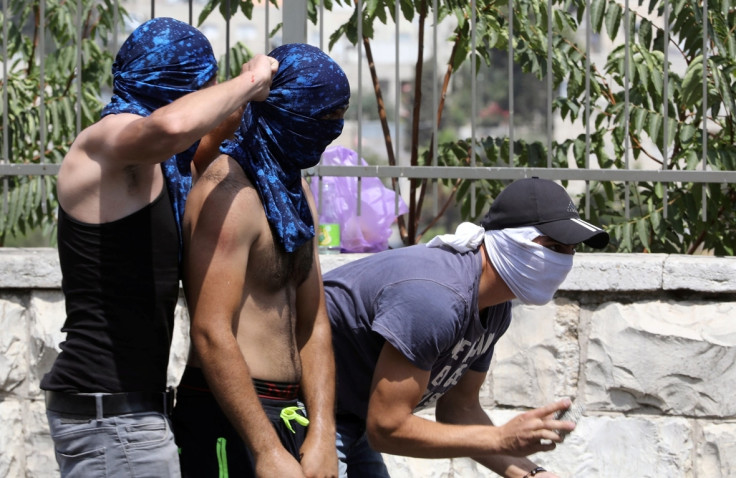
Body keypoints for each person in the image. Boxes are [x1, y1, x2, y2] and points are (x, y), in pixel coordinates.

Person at [40, 17, 278, 477]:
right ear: (177, 84)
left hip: (126, 413)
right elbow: (172, 127)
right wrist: (248, 82)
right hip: (111, 417)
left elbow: (202, 138)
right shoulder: (106, 141)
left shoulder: (160, 167)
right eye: (199, 87)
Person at [323, 177, 610, 478]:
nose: (563, 261)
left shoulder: (496, 308)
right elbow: (387, 427)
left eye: (570, 250)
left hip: (353, 414)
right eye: (552, 246)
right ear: (509, 239)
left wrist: (533, 474)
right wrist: (501, 437)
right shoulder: (436, 299)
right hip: (303, 404)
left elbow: (459, 409)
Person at [172, 43, 350, 478]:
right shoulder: (228, 194)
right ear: (289, 111)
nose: (334, 130)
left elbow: (315, 323)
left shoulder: (292, 191)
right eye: (323, 117)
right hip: (230, 420)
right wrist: (265, 448)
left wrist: (323, 432)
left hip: (290, 416)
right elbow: (212, 331)